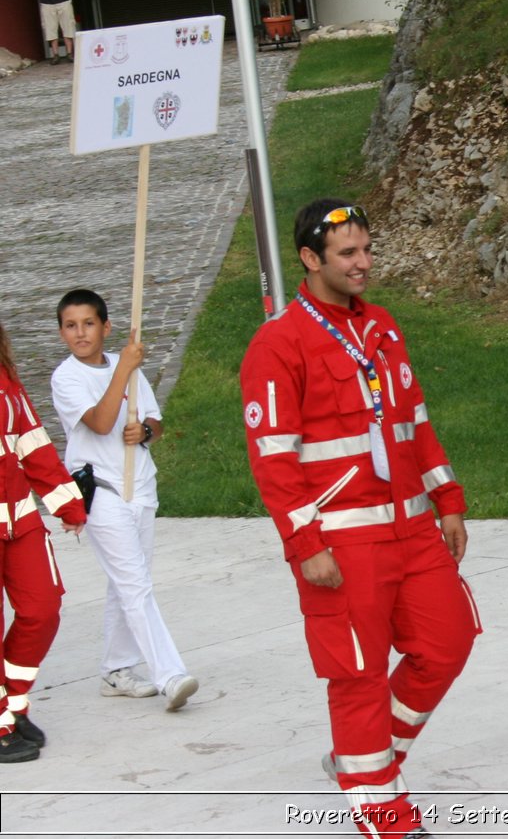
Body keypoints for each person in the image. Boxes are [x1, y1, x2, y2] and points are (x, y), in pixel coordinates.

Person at [241, 199, 480, 839]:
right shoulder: (278, 342)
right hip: (342, 543)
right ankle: (384, 816)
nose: (363, 263)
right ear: (310, 260)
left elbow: (414, 422)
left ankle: (364, 762)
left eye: (367, 250)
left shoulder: (383, 326)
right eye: (348, 254)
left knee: (449, 641)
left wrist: (447, 497)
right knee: (357, 676)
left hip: (412, 531)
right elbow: (273, 459)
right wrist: (304, 541)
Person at [52, 289, 199, 711]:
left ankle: (116, 671)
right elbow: (99, 423)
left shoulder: (126, 367)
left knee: (126, 584)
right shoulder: (67, 378)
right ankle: (170, 675)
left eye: (88, 323)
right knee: (136, 586)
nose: (80, 333)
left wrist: (146, 432)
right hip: (101, 492)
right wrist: (126, 368)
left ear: (106, 326)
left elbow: (155, 420)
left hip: (141, 486)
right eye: (70, 325)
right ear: (62, 332)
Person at [0, 316, 86, 763]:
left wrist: (66, 502)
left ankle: (12, 707)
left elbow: (32, 442)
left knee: (42, 609)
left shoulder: (5, 375)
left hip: (21, 523)